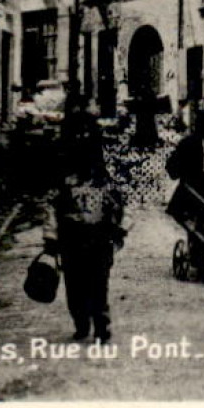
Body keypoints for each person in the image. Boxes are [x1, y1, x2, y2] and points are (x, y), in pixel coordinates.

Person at [44, 134, 127, 343]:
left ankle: (101, 324)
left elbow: (123, 210)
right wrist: (51, 238)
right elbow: (51, 211)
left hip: (99, 240)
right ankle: (81, 322)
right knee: (74, 285)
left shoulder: (107, 185)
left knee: (99, 285)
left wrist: (119, 230)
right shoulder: (65, 185)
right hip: (72, 239)